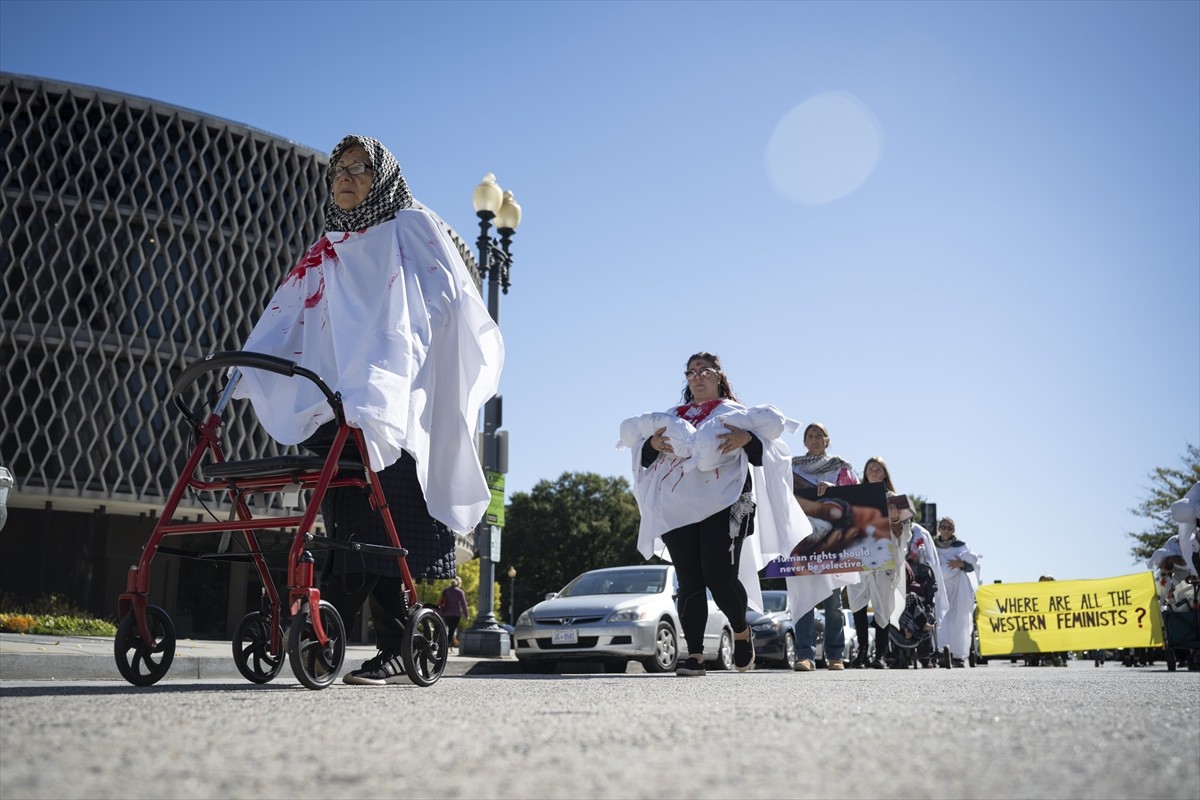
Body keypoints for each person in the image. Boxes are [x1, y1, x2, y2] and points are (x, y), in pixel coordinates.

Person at [233, 135, 503, 686]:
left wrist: (388, 362)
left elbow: (444, 300)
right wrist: (253, 363)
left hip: (395, 404)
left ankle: (330, 627)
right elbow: (288, 312)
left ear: (381, 177)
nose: (345, 178)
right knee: (358, 525)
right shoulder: (330, 244)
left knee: (380, 525)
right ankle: (375, 638)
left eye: (359, 168)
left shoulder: (409, 226)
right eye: (338, 171)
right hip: (336, 403)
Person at [620, 352, 804, 677]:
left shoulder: (736, 414)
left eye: (704, 370)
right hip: (676, 504)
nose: (697, 376)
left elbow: (770, 456)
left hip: (726, 501)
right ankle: (695, 656)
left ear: (719, 375)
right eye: (691, 372)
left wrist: (747, 439)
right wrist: (652, 444)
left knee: (719, 577)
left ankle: (741, 629)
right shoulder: (669, 417)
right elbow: (643, 458)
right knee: (689, 578)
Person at [789, 423, 858, 672]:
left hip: (833, 541)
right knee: (803, 598)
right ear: (804, 441)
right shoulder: (792, 466)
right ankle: (804, 655)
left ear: (828, 441)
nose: (815, 439)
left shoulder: (841, 468)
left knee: (833, 601)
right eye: (810, 435)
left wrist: (834, 490)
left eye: (820, 435)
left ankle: (834, 655)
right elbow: (780, 494)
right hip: (802, 540)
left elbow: (858, 499)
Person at [844, 456, 912, 669]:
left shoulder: (894, 500)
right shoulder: (855, 496)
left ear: (884, 473)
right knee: (857, 603)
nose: (873, 471)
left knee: (883, 606)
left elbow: (905, 534)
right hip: (859, 558)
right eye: (869, 468)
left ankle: (880, 654)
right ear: (865, 473)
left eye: (877, 468)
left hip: (884, 559)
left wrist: (894, 521)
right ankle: (862, 652)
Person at [933, 516, 981, 669]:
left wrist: (961, 564)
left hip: (959, 587)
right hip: (940, 587)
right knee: (941, 618)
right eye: (943, 527)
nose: (946, 530)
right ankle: (941, 652)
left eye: (949, 527)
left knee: (959, 620)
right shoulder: (932, 545)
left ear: (953, 530)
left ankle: (958, 655)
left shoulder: (961, 546)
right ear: (939, 529)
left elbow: (974, 565)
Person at [438, 577, 470, 651]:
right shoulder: (460, 592)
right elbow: (463, 604)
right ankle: (447, 647)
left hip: (446, 614)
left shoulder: (446, 591)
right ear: (459, 583)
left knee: (449, 630)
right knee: (452, 631)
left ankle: (450, 647)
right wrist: (466, 615)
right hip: (456, 614)